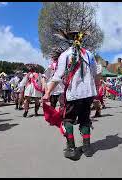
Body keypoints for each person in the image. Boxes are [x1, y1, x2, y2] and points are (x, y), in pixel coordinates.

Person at [42, 30, 100, 160]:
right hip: (88, 94)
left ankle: (72, 149)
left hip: (73, 94)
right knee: (85, 119)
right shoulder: (90, 54)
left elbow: (57, 77)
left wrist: (47, 92)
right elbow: (96, 74)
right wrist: (95, 92)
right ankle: (87, 148)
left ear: (68, 40)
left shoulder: (65, 55)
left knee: (67, 119)